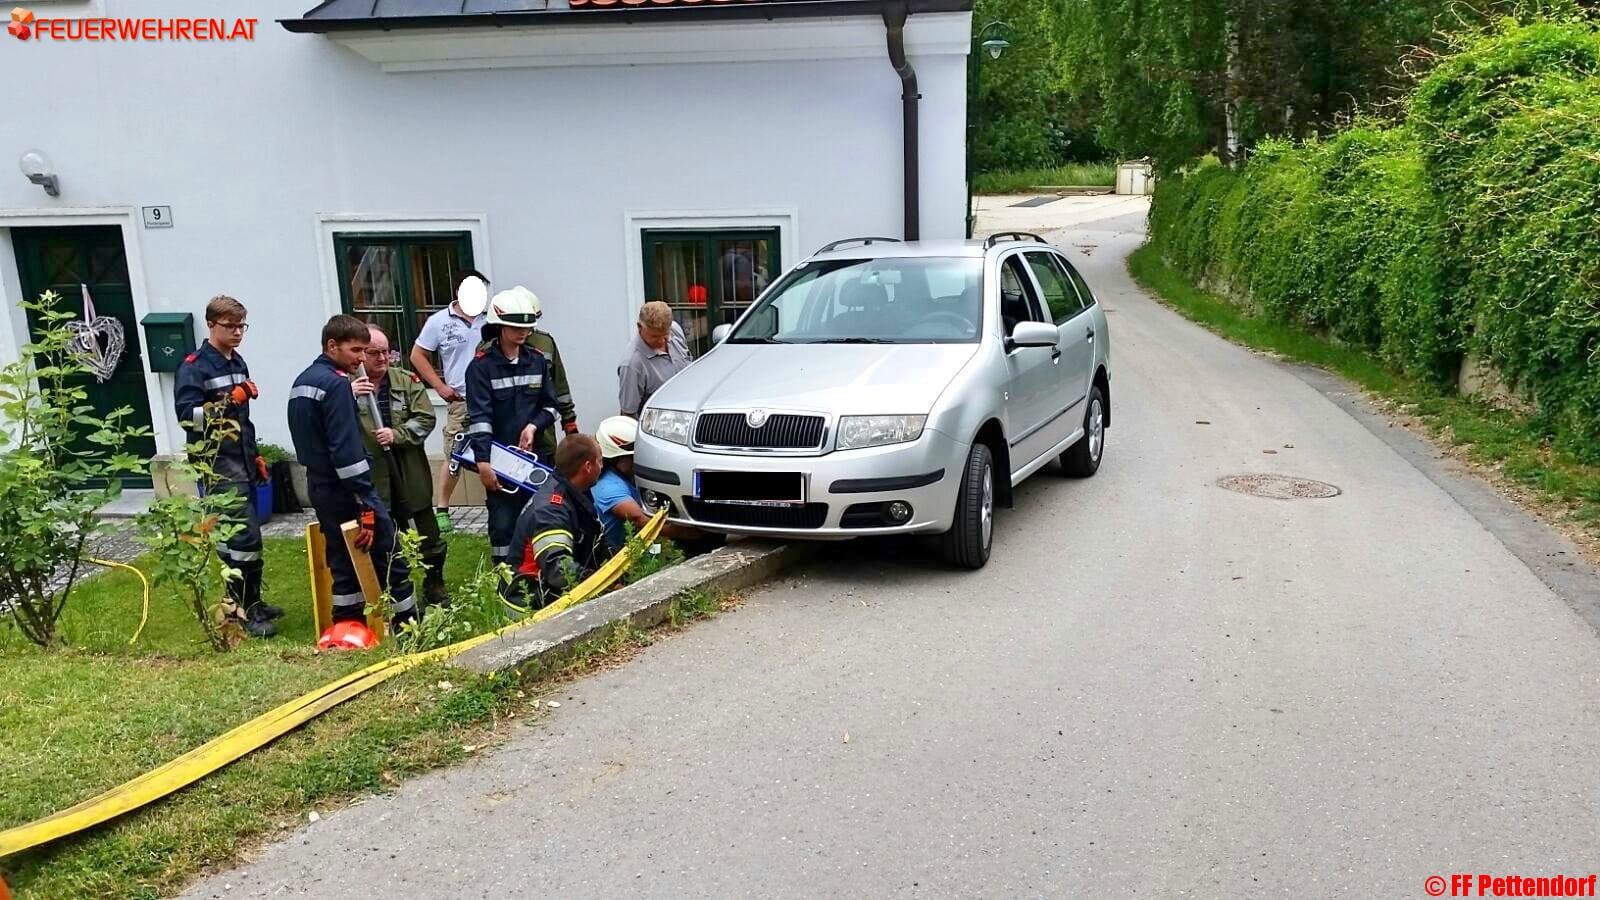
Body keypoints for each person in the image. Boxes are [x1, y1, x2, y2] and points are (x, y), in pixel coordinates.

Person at [288, 315, 418, 638]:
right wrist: (366, 504)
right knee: (390, 556)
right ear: (332, 346)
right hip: (349, 491)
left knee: (342, 561)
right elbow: (347, 453)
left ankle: (348, 628)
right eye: (355, 350)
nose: (361, 358)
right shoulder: (335, 386)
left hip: (321, 487)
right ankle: (409, 628)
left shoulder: (303, 381)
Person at [173, 295, 277, 638]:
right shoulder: (194, 366)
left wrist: (256, 453)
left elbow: (242, 421)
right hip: (216, 462)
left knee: (251, 537)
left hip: (242, 457)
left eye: (241, 326)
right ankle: (240, 610)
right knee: (239, 536)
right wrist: (231, 398)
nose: (237, 333)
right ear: (210, 325)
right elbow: (189, 419)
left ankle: (254, 602)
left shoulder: (237, 361)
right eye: (229, 326)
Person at [464, 288, 560, 576]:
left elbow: (551, 406)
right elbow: (479, 419)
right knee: (503, 522)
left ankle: (537, 573)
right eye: (516, 326)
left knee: (541, 516)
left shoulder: (538, 360)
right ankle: (504, 578)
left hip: (536, 457)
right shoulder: (480, 368)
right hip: (500, 460)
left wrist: (534, 426)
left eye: (527, 326)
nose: (523, 332)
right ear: (500, 327)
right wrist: (483, 462)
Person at [353, 325, 449, 608]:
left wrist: (397, 435)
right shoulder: (350, 386)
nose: (382, 358)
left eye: (387, 352)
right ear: (360, 355)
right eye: (374, 353)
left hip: (409, 473)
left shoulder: (407, 381)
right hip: (374, 477)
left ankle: (434, 585)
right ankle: (389, 588)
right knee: (385, 536)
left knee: (427, 535)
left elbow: (425, 418)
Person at [410, 271, 489, 535]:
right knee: (453, 453)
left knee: (496, 450)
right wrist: (440, 387)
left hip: (490, 397)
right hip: (460, 399)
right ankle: (442, 508)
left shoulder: (491, 319)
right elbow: (417, 355)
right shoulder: (439, 322)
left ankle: (497, 500)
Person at [591, 415, 719, 554]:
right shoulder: (609, 487)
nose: (638, 459)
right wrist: (698, 533)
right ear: (616, 458)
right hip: (620, 557)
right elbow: (642, 521)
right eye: (632, 456)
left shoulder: (624, 476)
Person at [508, 434, 608, 610]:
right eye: (600, 461)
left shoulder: (568, 489)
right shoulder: (551, 510)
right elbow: (558, 569)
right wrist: (601, 584)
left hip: (541, 592)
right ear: (587, 467)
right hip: (528, 604)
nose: (602, 466)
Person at [510, 285, 581, 461]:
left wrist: (569, 423)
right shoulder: (489, 352)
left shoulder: (545, 344)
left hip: (543, 437)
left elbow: (559, 387)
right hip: (505, 438)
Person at [618, 301, 692, 418]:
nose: (662, 341)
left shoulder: (675, 329)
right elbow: (628, 415)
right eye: (655, 337)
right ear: (639, 327)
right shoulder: (631, 365)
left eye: (665, 335)